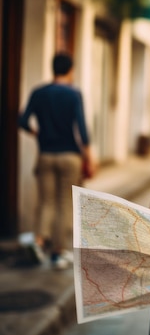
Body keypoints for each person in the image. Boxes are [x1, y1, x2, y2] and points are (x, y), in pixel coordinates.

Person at [19, 52, 95, 269]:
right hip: (69, 155)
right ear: (70, 70)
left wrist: (36, 133)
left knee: (46, 201)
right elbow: (81, 128)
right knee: (64, 204)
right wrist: (89, 156)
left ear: (52, 68)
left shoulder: (39, 92)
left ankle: (39, 240)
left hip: (45, 154)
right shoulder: (73, 94)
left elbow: (23, 120)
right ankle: (57, 253)